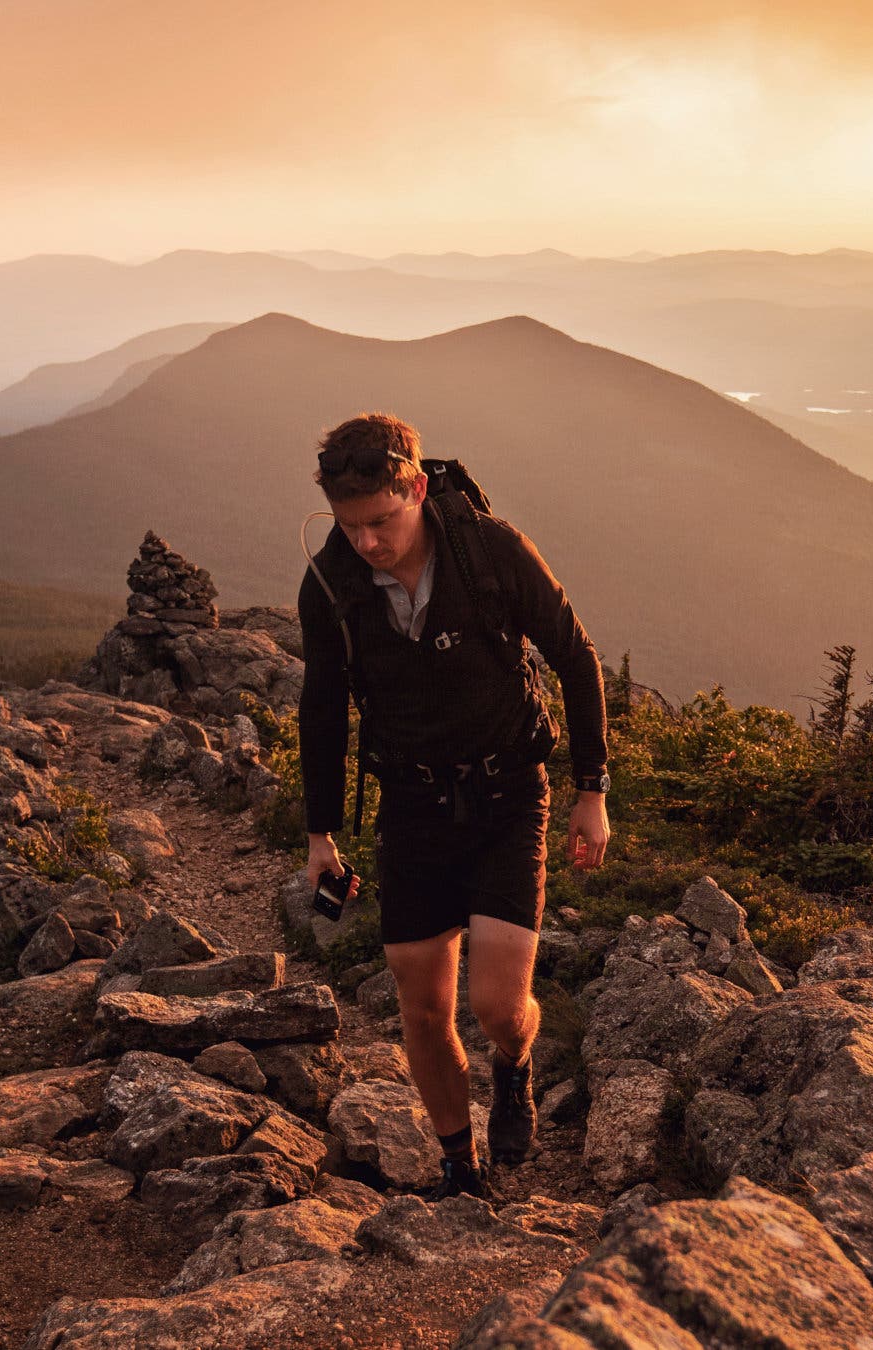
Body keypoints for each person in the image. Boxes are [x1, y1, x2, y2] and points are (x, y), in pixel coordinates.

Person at [295, 411, 611, 1199]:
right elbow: (323, 709)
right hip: (411, 804)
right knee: (421, 1001)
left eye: (381, 521)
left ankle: (513, 1065)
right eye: (349, 524)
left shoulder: (489, 551)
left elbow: (574, 655)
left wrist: (591, 790)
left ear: (417, 487)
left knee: (500, 1004)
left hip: (508, 792)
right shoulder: (331, 584)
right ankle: (458, 1166)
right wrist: (320, 832)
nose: (367, 542)